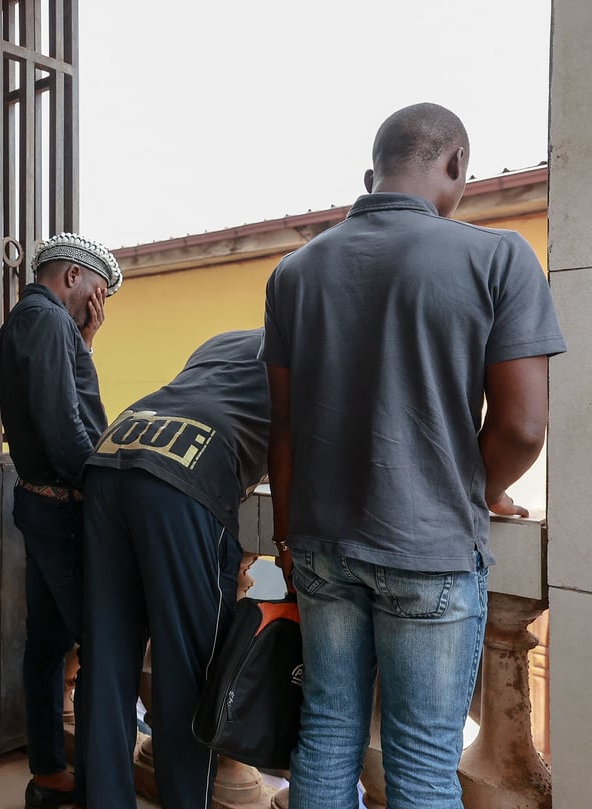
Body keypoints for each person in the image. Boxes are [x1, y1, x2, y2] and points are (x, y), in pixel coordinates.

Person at [261, 102, 566, 809]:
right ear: (456, 163)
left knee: (327, 732)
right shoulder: (496, 256)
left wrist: (284, 536)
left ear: (371, 176)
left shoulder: (292, 273)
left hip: (319, 547)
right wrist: (465, 487)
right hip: (427, 549)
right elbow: (522, 427)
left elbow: (283, 428)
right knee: (424, 761)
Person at [81, 328, 270, 809]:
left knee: (107, 655)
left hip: (114, 451)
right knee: (190, 667)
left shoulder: (223, 340)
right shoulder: (310, 345)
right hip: (185, 469)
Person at [0, 232, 122, 809]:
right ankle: (98, 783)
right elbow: (65, 427)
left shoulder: (43, 323)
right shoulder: (44, 321)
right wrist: (103, 490)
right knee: (101, 641)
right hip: (61, 508)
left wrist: (85, 341)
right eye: (96, 293)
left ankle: (49, 774)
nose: (96, 307)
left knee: (46, 643)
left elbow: (63, 399)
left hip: (42, 502)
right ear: (72, 277)